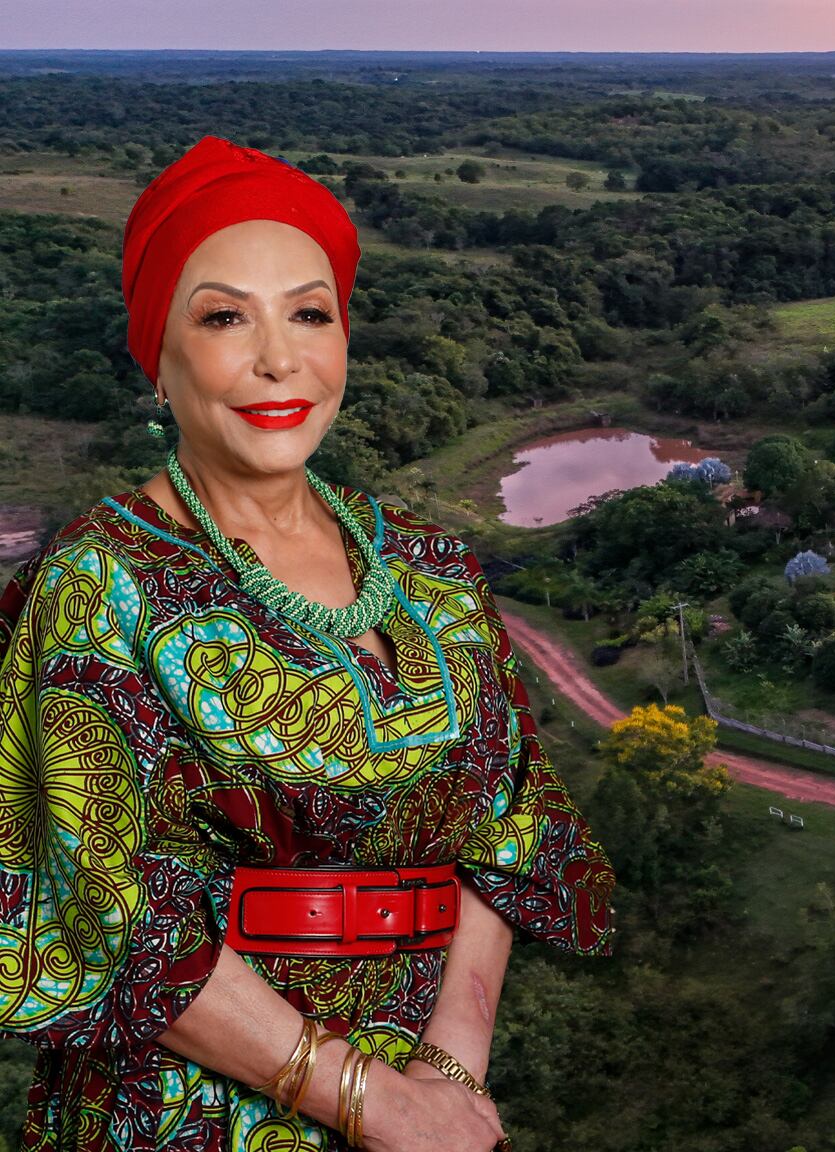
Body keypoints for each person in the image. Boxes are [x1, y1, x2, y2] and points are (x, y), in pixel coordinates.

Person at [0, 136, 615, 1149]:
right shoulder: (101, 586)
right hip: (188, 1114)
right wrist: (373, 1105)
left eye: (309, 313)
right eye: (223, 316)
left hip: (434, 1104)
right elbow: (107, 921)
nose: (277, 357)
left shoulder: (432, 571)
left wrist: (448, 1078)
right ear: (156, 356)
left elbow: (508, 832)